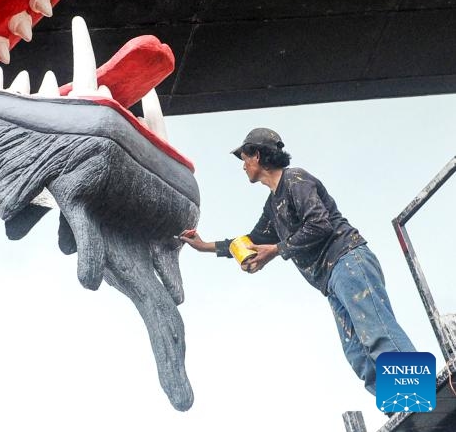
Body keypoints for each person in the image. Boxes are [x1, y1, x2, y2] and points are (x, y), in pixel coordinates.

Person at [178, 127, 416, 396]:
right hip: (330, 280)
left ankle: (416, 400)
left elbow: (320, 224)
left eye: (244, 158)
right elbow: (253, 239)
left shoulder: (295, 180)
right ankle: (402, 411)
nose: (243, 166)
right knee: (359, 357)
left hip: (348, 260)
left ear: (257, 155)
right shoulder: (273, 205)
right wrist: (204, 246)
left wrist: (278, 249)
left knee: (377, 334)